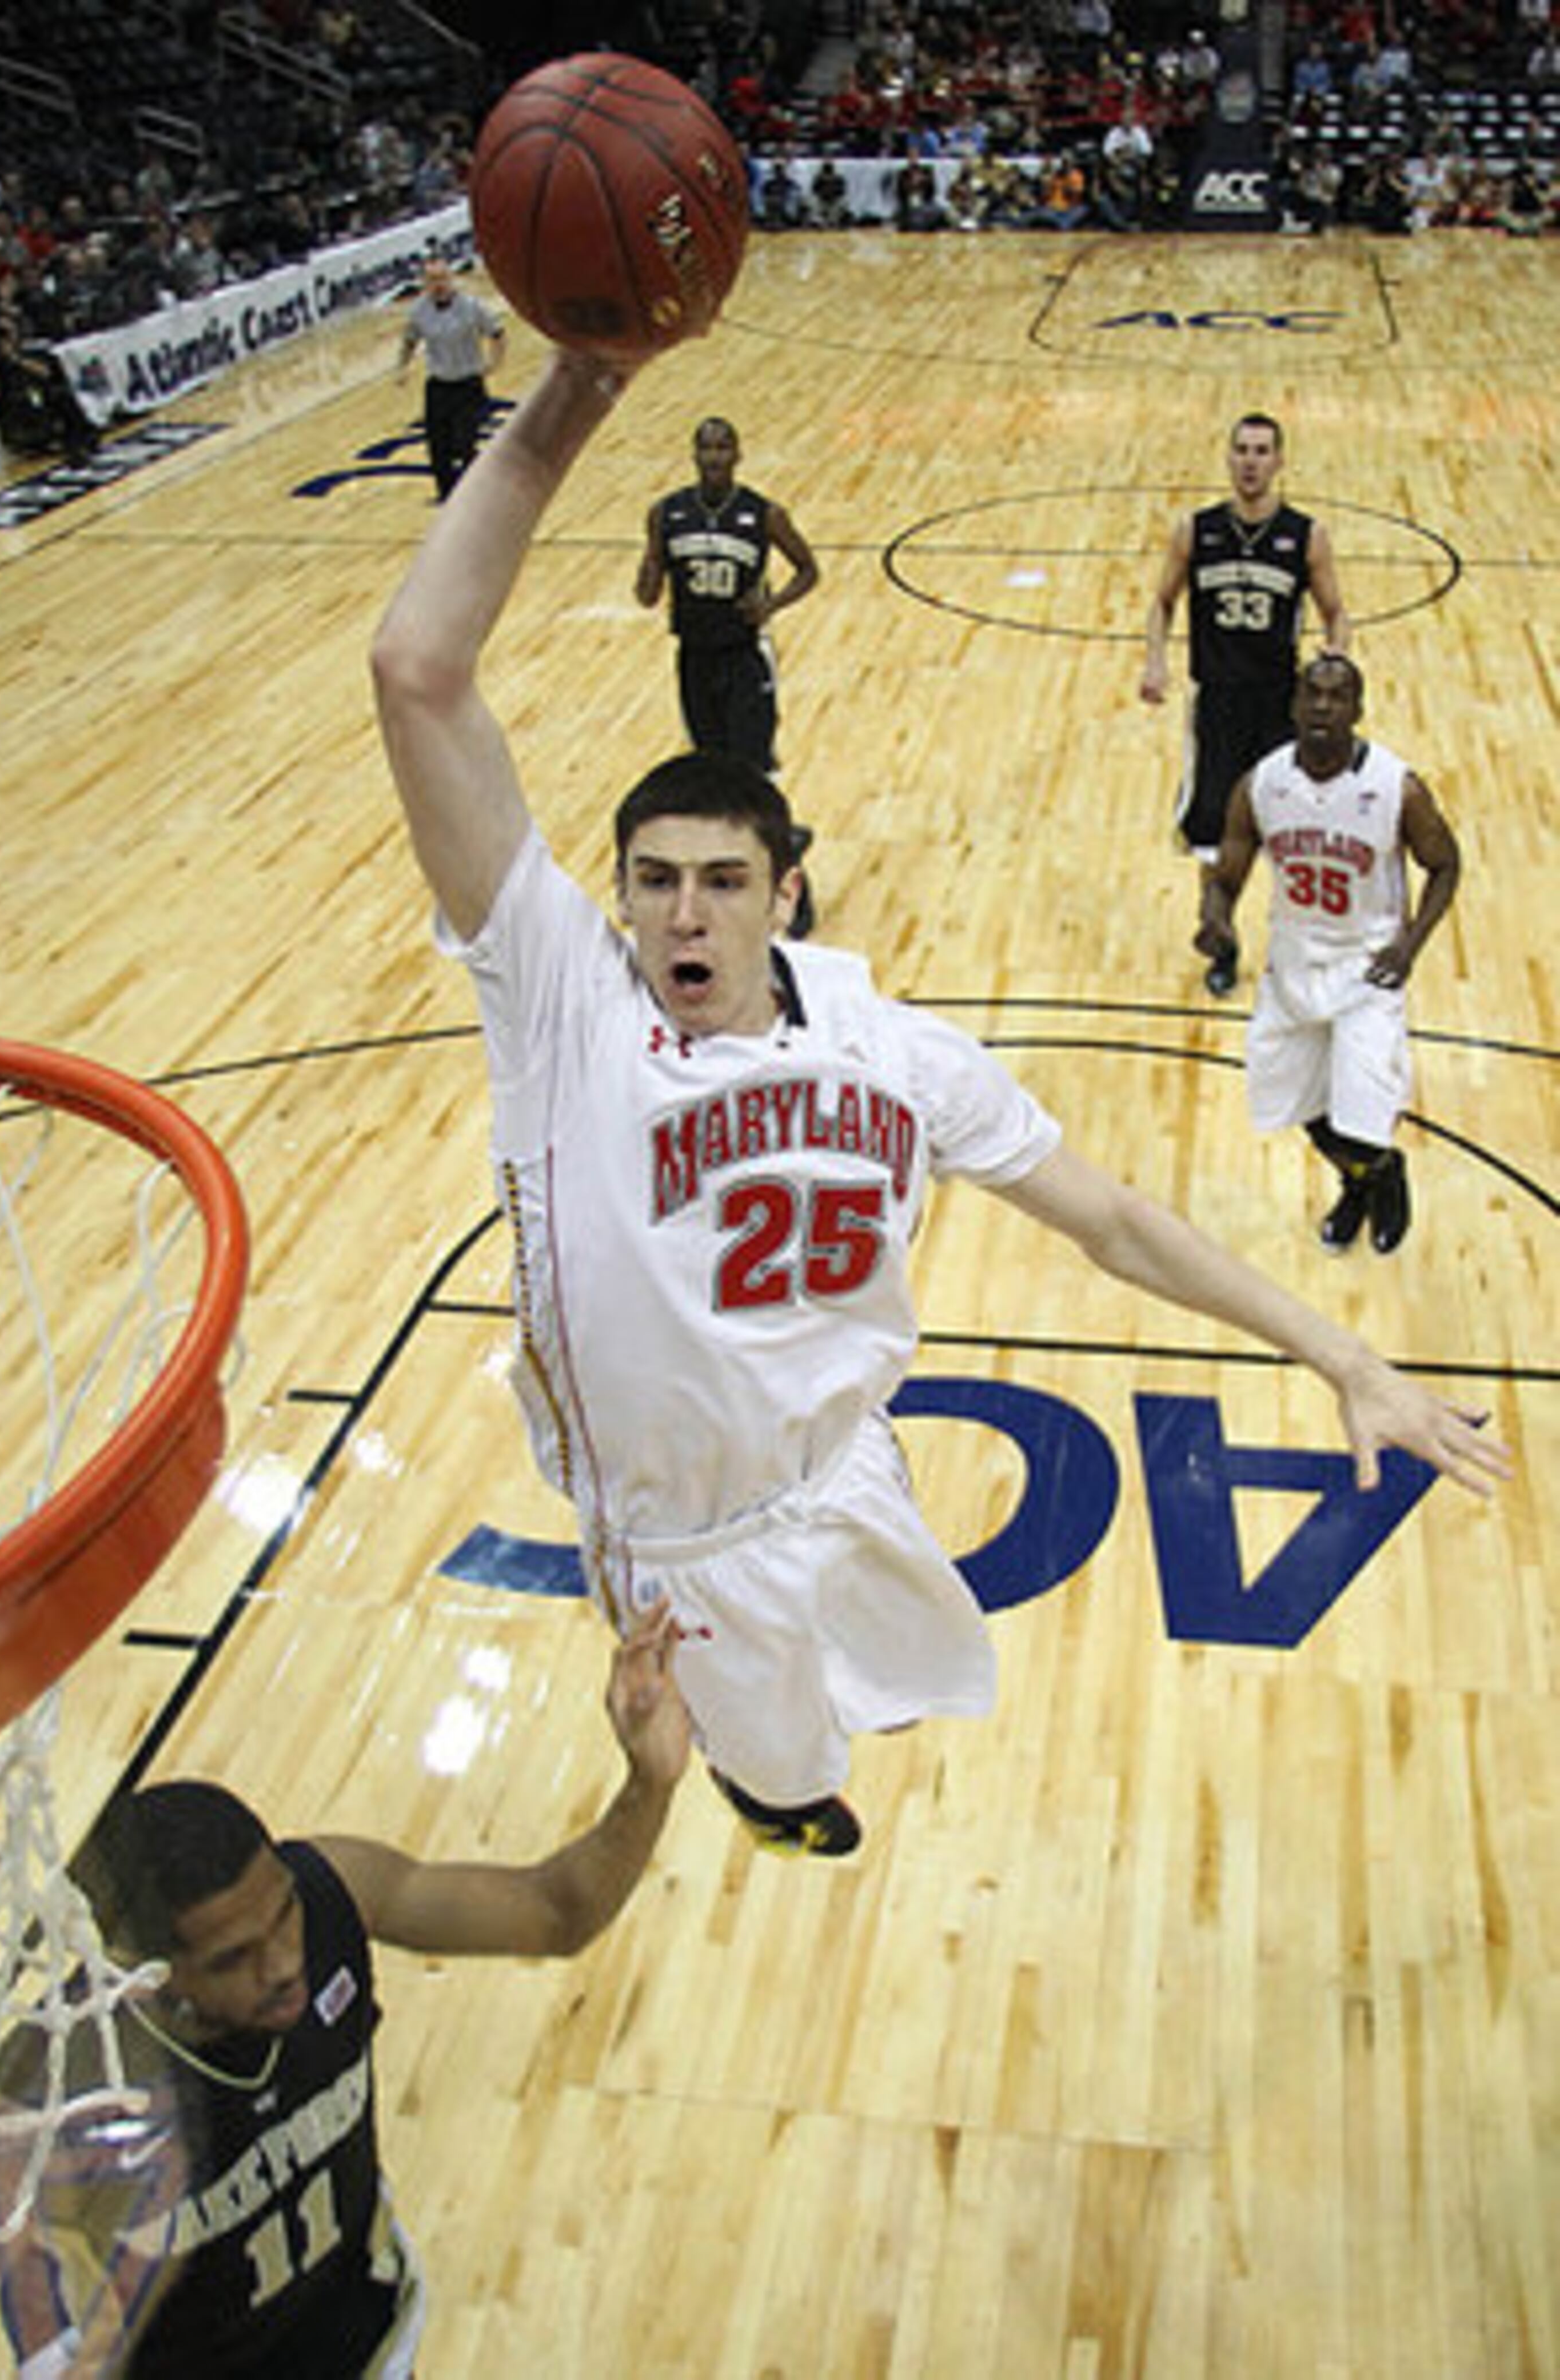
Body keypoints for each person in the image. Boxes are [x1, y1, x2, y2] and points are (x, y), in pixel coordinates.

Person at [369, 351, 1509, 1863]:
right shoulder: (562, 1001)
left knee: (907, 1683)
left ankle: (816, 1694)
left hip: (849, 1464)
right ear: (617, 900)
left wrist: (1340, 1350)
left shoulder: (895, 1047)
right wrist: (587, 377)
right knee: (783, 1772)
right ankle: (761, 1787)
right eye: (653, 884)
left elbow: (1113, 1218)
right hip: (679, 1535)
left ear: (787, 892)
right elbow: (416, 672)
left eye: (723, 883)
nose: (685, 919)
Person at [0, 1607, 691, 2375]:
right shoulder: (70, 2079)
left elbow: (556, 1909)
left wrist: (648, 1780)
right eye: (236, 1955)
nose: (285, 1959)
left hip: (370, 2338)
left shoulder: (333, 1889)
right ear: (147, 1974)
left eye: (281, 1916)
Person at [1194, 654, 1458, 1255]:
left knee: (1361, 1117)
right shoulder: (1262, 783)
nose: (1321, 707)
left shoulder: (1397, 787)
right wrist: (1216, 920)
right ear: (1292, 706)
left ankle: (1381, 1175)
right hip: (1292, 964)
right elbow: (1226, 872)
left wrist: (1409, 945)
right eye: (1311, 695)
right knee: (1303, 1109)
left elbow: (1445, 866)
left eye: (1337, 698)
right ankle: (1361, 1183)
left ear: (1357, 711)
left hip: (1367, 970)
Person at [1140, 412, 1352, 997]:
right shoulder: (1196, 530)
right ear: (1228, 458)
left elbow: (1338, 612)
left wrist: (1334, 660)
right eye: (1242, 450)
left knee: (1295, 835)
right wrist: (1155, 660)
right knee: (1215, 836)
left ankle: (1300, 952)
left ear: (1280, 461)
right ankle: (1222, 941)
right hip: (1217, 705)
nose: (1251, 461)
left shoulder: (1306, 535)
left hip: (1280, 708)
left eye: (1262, 451)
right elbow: (1161, 602)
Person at [634, 415, 819, 778]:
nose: (715, 457)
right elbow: (647, 595)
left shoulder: (764, 514)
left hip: (744, 653)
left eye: (723, 448)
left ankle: (773, 829)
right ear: (694, 456)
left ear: (738, 455)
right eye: (706, 448)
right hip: (693, 653)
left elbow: (809, 571)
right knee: (709, 760)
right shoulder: (666, 513)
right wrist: (651, 567)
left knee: (755, 760)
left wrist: (771, 604)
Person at [395, 258, 503, 502]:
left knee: (465, 442)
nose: (438, 285)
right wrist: (402, 368)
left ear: (451, 279)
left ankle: (479, 491)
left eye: (442, 279)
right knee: (438, 446)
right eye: (432, 281)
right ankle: (447, 496)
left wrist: (494, 363)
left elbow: (497, 333)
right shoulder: (419, 311)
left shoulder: (472, 306)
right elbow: (410, 340)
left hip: (468, 384)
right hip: (439, 385)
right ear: (425, 284)